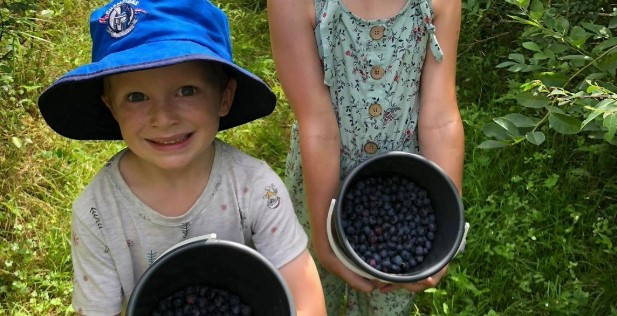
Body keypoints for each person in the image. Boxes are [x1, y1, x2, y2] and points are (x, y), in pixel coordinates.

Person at [37, 0, 326, 315]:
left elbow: (304, 294)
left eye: (186, 91)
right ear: (112, 108)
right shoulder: (98, 213)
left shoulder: (255, 187)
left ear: (224, 98)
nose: (163, 117)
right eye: (136, 97)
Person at [268, 0, 465, 313]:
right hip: (319, 187)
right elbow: (318, 125)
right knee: (311, 294)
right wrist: (323, 236)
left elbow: (440, 117)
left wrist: (446, 227)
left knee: (388, 293)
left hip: (404, 192)